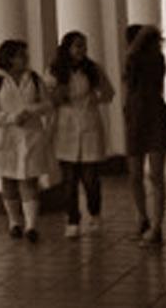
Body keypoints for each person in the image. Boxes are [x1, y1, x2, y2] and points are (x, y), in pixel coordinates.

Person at [0, 39, 54, 243]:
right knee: (9, 179)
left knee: (29, 178)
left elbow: (48, 104)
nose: (26, 58)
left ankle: (31, 226)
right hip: (6, 137)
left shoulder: (34, 79)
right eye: (21, 55)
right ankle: (14, 222)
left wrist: (31, 111)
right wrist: (10, 118)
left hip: (31, 135)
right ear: (9, 58)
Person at [47, 31, 115, 239]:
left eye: (84, 46)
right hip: (65, 128)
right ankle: (73, 220)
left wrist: (96, 97)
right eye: (77, 46)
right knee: (69, 181)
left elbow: (109, 93)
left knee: (91, 179)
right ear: (67, 48)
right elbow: (47, 98)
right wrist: (57, 95)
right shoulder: (54, 71)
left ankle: (95, 213)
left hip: (89, 125)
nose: (81, 50)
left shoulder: (93, 69)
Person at [124, 24, 166, 246]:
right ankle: (142, 219)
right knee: (134, 174)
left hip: (154, 116)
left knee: (156, 175)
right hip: (136, 117)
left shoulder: (155, 59)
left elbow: (136, 61)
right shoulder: (132, 62)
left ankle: (156, 227)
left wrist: (142, 37)